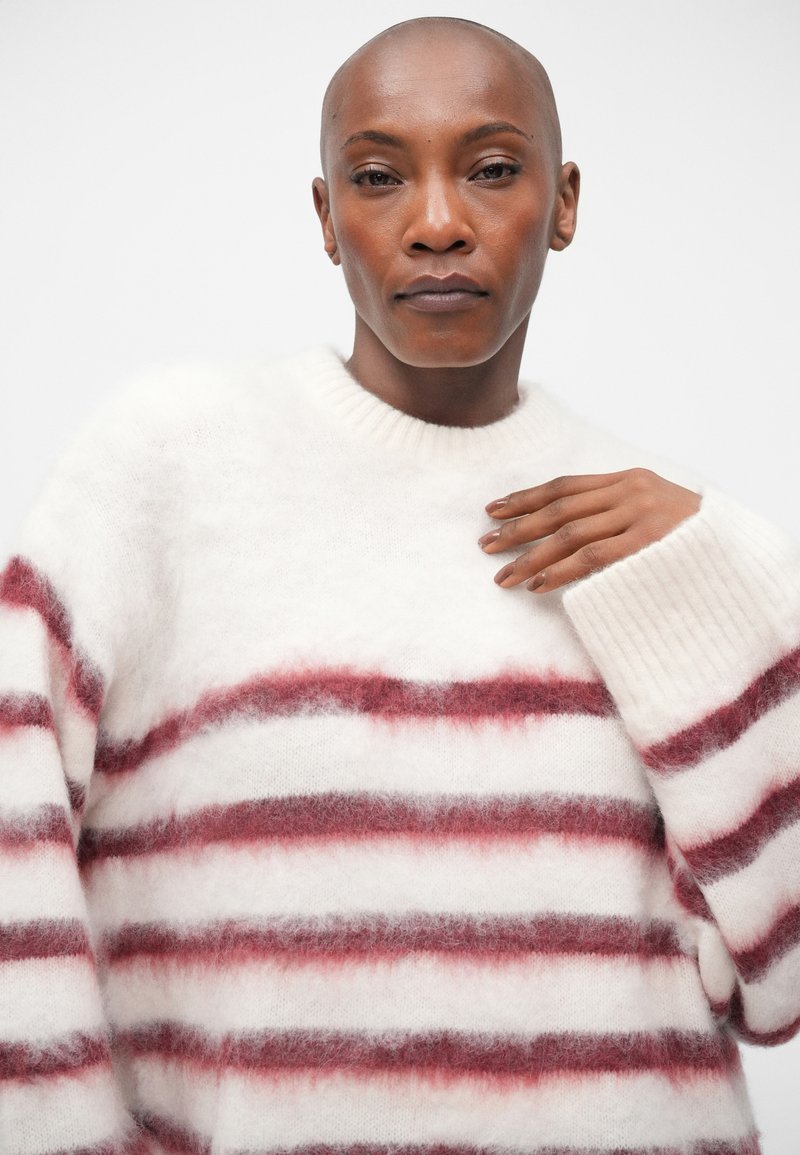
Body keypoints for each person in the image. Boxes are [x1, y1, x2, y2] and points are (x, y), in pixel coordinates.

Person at [1, 15, 798, 1154]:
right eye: (377, 178)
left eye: (492, 169)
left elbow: (779, 980)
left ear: (564, 202)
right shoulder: (165, 473)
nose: (435, 223)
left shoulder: (652, 539)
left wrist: (739, 574)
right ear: (327, 218)